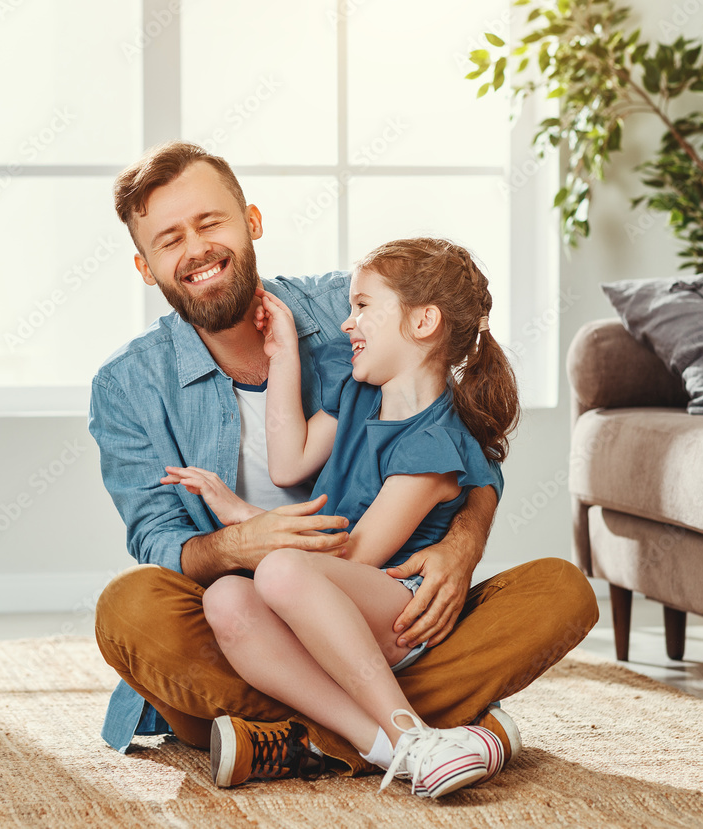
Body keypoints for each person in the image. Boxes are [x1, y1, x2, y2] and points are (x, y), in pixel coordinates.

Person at [89, 140, 598, 788]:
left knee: (559, 589)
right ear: (145, 266)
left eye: (210, 222)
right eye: (169, 239)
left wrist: (461, 546)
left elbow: (460, 425)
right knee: (133, 608)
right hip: (246, 616)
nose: (196, 248)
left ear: (252, 222)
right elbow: (159, 537)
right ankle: (420, 732)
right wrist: (242, 538)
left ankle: (283, 740)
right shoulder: (126, 385)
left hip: (375, 598)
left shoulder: (349, 309)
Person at [159, 237, 522, 797]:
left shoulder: (432, 448)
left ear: (424, 320)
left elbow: (352, 555)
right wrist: (282, 355)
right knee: (223, 600)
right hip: (326, 591)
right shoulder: (356, 389)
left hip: (395, 608)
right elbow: (289, 462)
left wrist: (243, 518)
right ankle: (387, 747)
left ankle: (407, 728)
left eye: (363, 306)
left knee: (279, 571)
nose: (347, 322)